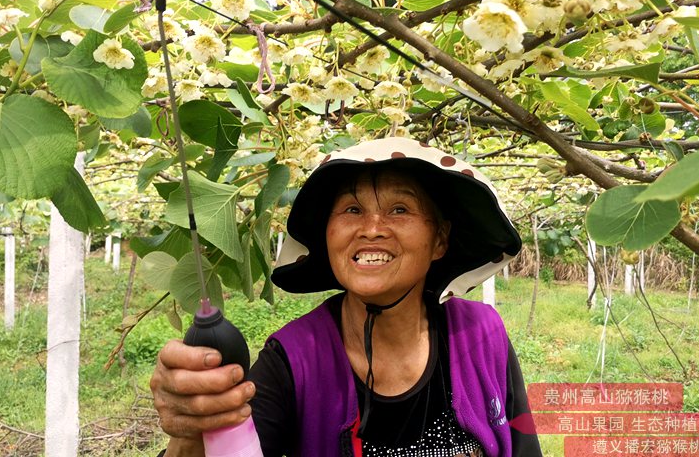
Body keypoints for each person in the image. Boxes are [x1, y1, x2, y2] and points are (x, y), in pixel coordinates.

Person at [151, 137, 543, 456]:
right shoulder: (293, 359)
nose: (372, 229)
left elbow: (525, 447)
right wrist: (192, 434)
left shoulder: (482, 333)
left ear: (439, 239)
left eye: (400, 209)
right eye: (352, 209)